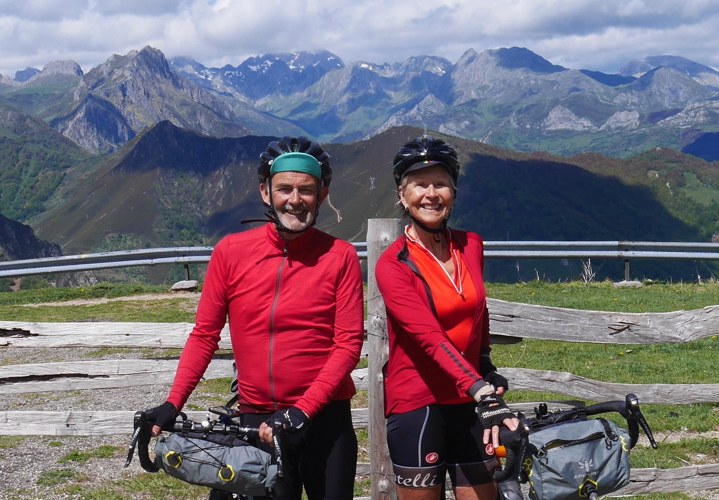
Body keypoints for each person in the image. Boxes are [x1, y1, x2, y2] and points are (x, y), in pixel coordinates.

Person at [139, 137, 365, 500]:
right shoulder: (231, 252)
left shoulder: (340, 256)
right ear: (265, 192)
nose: (295, 199)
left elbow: (348, 344)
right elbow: (204, 335)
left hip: (324, 420)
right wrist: (173, 402)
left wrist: (302, 410)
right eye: (285, 188)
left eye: (306, 190)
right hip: (256, 422)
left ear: (322, 196)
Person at [375, 137, 519, 500]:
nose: (431, 194)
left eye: (440, 184)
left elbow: (477, 310)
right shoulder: (393, 266)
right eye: (420, 185)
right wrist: (482, 390)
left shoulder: (471, 245)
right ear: (403, 195)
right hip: (418, 403)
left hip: (469, 400)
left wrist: (484, 363)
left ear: (453, 191)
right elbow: (429, 337)